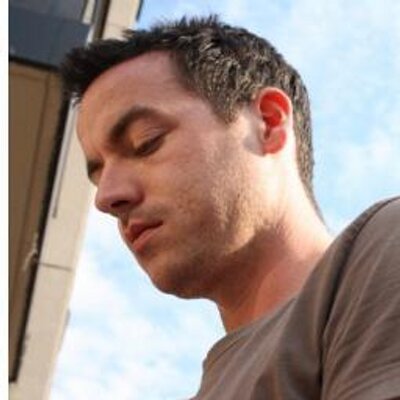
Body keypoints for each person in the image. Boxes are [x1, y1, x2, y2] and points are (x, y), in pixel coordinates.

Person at [60, 16, 400, 400]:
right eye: (98, 175)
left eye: (146, 142)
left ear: (269, 123)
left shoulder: (383, 246)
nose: (106, 197)